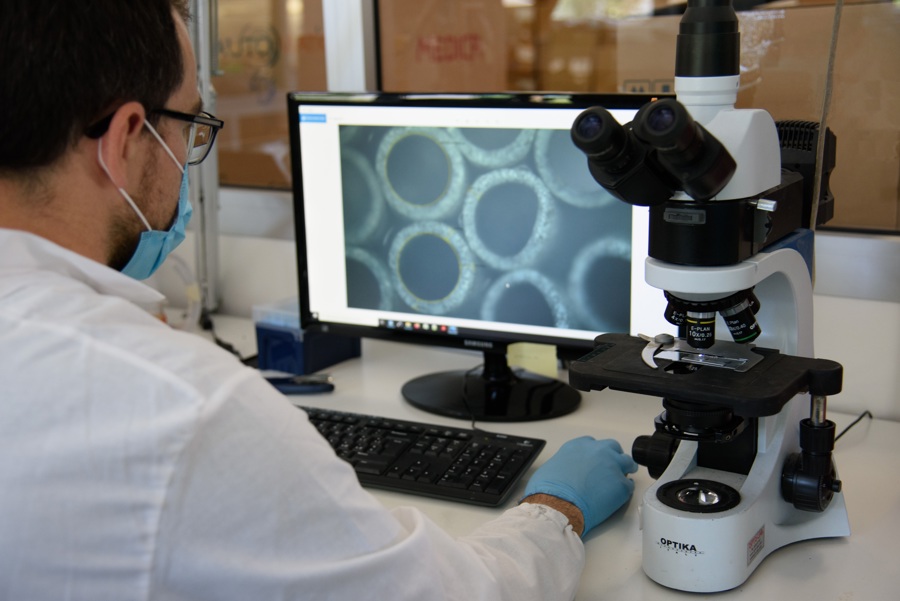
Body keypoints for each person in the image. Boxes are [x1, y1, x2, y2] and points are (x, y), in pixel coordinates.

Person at [0, 2, 639, 599]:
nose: (191, 156)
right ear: (127, 136)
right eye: (190, 127)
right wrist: (557, 508)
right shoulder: (184, 409)